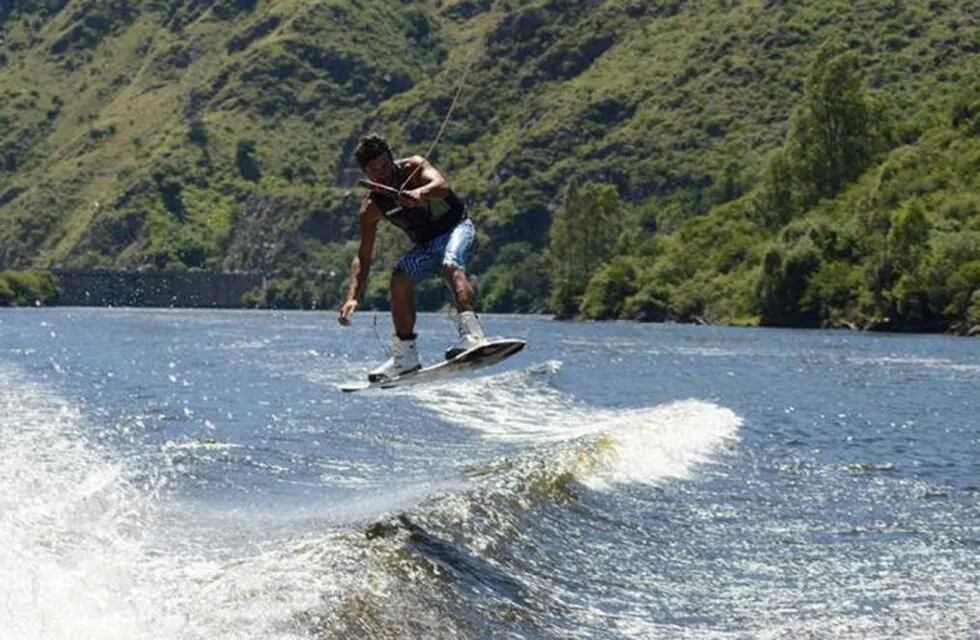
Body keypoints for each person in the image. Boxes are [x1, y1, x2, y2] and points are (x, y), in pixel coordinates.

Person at [338, 133, 487, 381]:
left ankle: (473, 336)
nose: (382, 172)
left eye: (385, 164)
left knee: (450, 264)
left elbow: (442, 186)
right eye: (374, 170)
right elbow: (363, 256)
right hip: (427, 246)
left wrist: (421, 193)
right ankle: (405, 358)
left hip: (457, 229)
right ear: (366, 174)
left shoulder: (414, 168)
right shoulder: (372, 207)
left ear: (392, 159)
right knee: (399, 279)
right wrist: (352, 297)